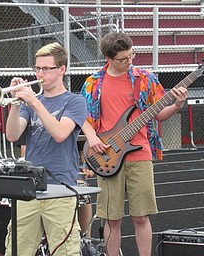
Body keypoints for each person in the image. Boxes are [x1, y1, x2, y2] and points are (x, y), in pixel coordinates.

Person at [80, 32, 188, 256]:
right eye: (124, 58)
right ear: (109, 58)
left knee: (141, 216)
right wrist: (92, 137)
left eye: (132, 56)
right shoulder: (93, 83)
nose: (130, 61)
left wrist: (177, 105)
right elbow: (81, 117)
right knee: (112, 218)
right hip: (107, 156)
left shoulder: (146, 79)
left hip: (140, 156)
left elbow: (159, 114)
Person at [4, 42, 87, 256]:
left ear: (62, 69)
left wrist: (33, 101)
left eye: (46, 69)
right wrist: (15, 103)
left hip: (60, 186)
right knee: (16, 250)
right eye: (37, 68)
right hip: (29, 187)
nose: (40, 73)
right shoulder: (30, 103)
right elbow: (12, 134)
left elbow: (60, 133)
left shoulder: (75, 102)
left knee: (64, 251)